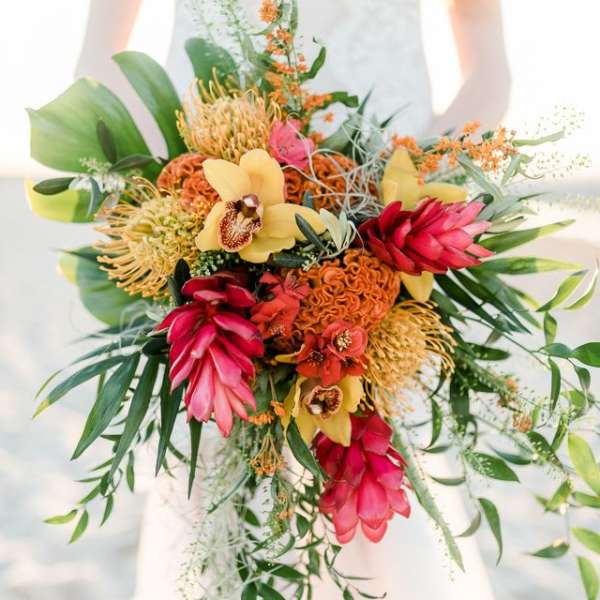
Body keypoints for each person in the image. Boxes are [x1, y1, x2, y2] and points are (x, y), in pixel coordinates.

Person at [76, 1, 511, 598]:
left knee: (374, 469)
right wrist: (155, 184)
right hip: (203, 206)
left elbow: (481, 31)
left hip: (386, 235)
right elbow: (102, 42)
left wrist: (414, 194)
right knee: (216, 488)